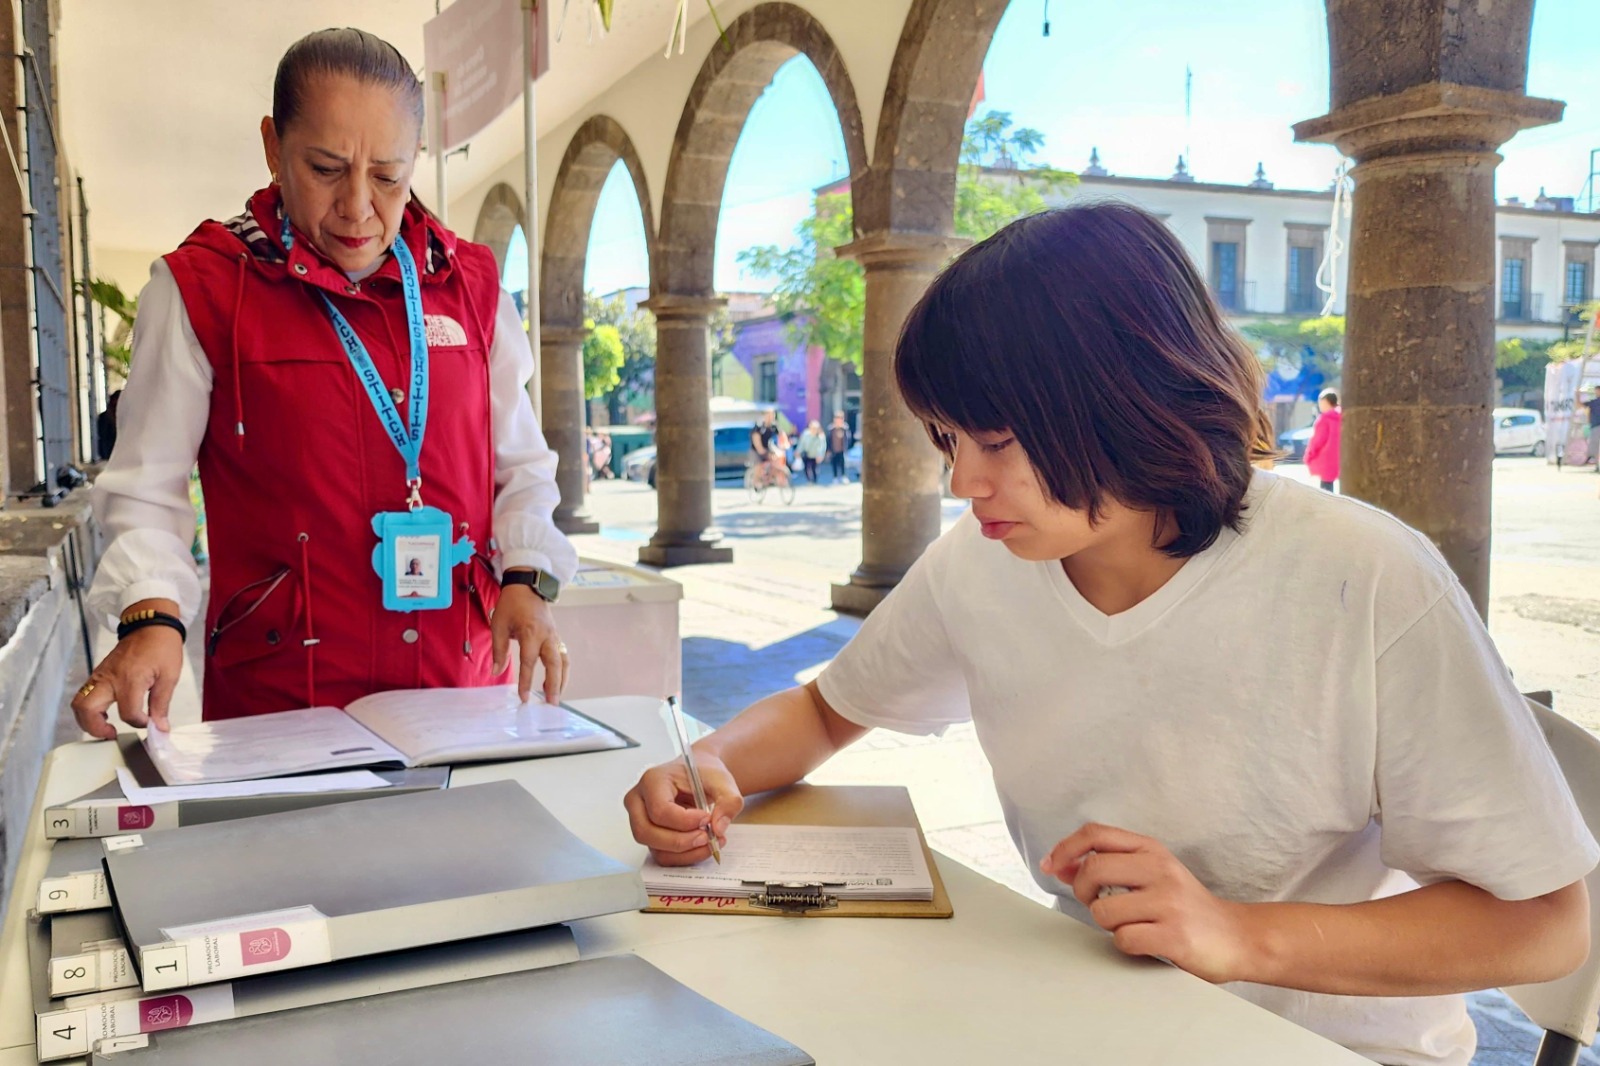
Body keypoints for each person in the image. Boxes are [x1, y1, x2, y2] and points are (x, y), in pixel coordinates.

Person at [624, 203, 1596, 1066]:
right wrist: (710, 761)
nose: (963, 483)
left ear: (1130, 400)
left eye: (995, 441)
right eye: (947, 441)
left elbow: (1545, 926)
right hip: (1081, 1006)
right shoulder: (985, 560)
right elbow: (824, 709)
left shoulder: (1365, 576)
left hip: (1321, 1040)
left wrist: (1238, 934)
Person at [75, 29, 578, 737]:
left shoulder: (472, 289)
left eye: (388, 175)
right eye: (326, 167)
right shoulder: (203, 287)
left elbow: (521, 466)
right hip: (282, 707)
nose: (358, 207)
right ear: (272, 147)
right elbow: (145, 488)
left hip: (458, 694)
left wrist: (528, 578)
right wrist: (153, 614)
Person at [1303, 388, 1342, 491]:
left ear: (1327, 402)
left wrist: (1309, 455)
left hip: (1327, 459)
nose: (1320, 406)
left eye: (1321, 403)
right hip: (1342, 458)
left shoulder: (1324, 419)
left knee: (1326, 490)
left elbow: (1317, 441)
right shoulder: (1344, 416)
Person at [825, 410, 852, 482]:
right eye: (837, 418)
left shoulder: (845, 428)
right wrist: (828, 450)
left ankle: (843, 476)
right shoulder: (831, 429)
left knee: (843, 463)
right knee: (834, 463)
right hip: (834, 449)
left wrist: (847, 447)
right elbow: (828, 439)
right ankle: (835, 477)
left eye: (840, 418)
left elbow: (848, 439)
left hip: (842, 449)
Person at [797, 420, 826, 484]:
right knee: (806, 468)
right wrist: (798, 451)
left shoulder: (820, 436)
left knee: (814, 468)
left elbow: (822, 447)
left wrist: (820, 455)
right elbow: (801, 443)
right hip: (806, 454)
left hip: (815, 455)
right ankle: (809, 480)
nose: (813, 430)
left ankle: (814, 480)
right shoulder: (805, 434)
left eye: (815, 428)